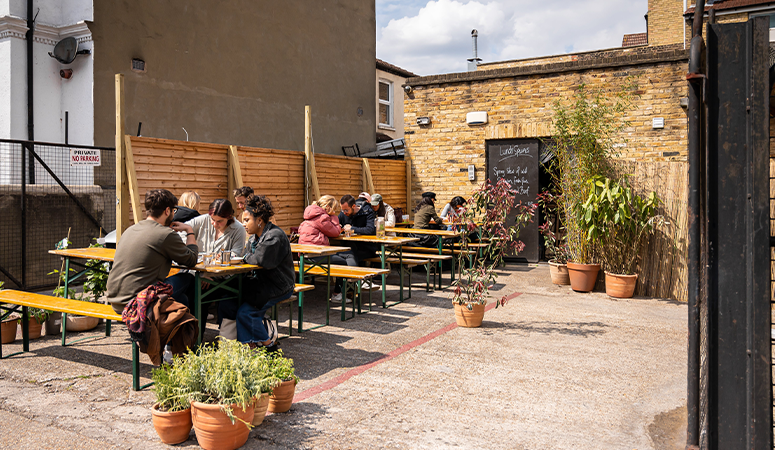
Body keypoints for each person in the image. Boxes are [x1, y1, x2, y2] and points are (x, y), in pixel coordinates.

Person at [106, 189, 198, 314]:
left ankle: (179, 323)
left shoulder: (130, 230)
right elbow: (191, 260)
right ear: (167, 211)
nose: (173, 214)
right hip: (138, 303)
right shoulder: (165, 234)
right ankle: (195, 325)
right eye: (174, 210)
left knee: (182, 299)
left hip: (116, 301)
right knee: (189, 278)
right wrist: (189, 230)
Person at [232, 195, 295, 350]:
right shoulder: (254, 238)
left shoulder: (274, 236)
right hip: (262, 284)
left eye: (247, 220)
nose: (243, 224)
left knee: (246, 313)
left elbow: (260, 260)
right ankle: (249, 345)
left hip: (279, 286)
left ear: (259, 220)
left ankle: (269, 346)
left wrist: (245, 257)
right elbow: (251, 258)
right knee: (231, 300)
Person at [165, 199, 246, 308]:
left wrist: (210, 273)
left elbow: (235, 255)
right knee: (179, 289)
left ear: (229, 217)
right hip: (195, 272)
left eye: (220, 221)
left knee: (197, 293)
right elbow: (182, 232)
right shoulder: (204, 219)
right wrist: (188, 246)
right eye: (213, 220)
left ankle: (195, 318)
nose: (215, 224)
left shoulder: (238, 229)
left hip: (222, 277)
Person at [331, 194, 377, 302]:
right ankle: (356, 283)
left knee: (348, 258)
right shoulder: (343, 214)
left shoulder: (367, 211)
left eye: (346, 210)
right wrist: (339, 228)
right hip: (350, 248)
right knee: (344, 259)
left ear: (353, 206)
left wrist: (353, 229)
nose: (344, 213)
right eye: (342, 210)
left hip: (367, 248)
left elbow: (370, 230)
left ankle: (341, 292)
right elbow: (336, 225)